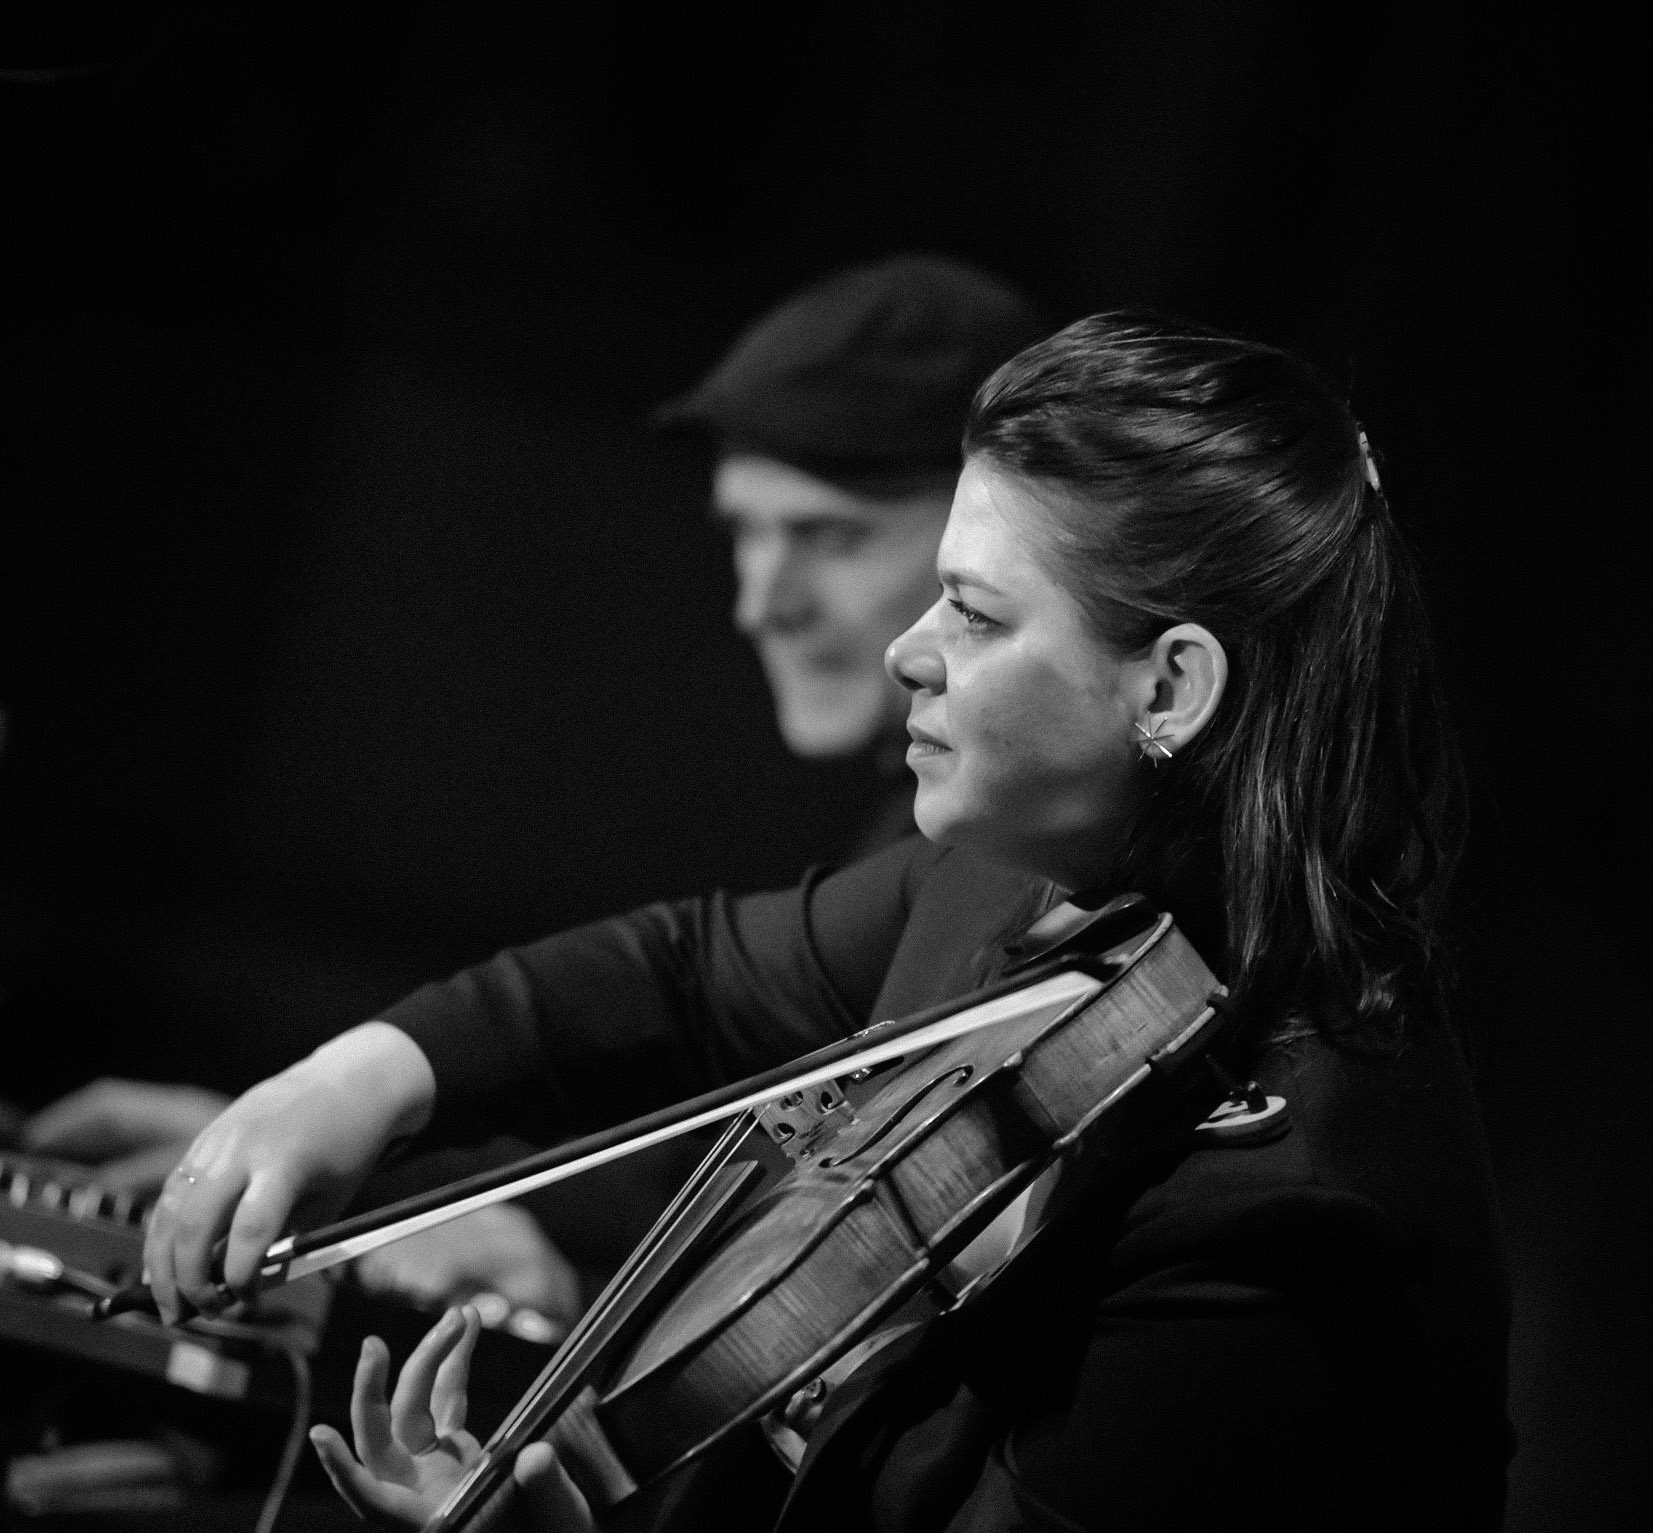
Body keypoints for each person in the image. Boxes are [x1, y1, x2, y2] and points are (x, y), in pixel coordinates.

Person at [139, 310, 1514, 1533]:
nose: (908, 653)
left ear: (1170, 686)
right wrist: (357, 1078)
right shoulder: (1012, 885)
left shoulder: (1292, 1215)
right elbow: (684, 971)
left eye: (973, 614)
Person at [13, 254, 1046, 1320]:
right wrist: (326, 1147)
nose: (759, 602)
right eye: (744, 532)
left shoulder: (1006, 861)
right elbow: (691, 1143)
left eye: (829, 537)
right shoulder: (919, 854)